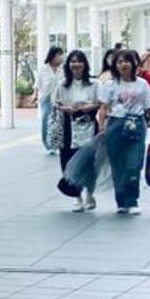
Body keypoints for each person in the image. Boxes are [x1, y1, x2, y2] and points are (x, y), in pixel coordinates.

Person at [98, 48, 150, 214]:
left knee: (133, 163)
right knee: (117, 165)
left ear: (134, 64)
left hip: (136, 125)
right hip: (115, 125)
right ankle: (121, 201)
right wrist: (101, 127)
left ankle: (132, 200)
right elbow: (103, 108)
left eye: (127, 61)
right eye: (119, 62)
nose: (123, 64)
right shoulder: (110, 85)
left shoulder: (142, 84)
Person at [49, 50, 102, 212]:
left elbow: (100, 103)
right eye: (72, 61)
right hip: (68, 126)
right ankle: (77, 197)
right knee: (69, 161)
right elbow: (55, 103)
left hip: (89, 124)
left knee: (89, 162)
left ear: (85, 64)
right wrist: (67, 109)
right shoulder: (62, 85)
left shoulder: (94, 84)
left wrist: (87, 108)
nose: (76, 64)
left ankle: (89, 194)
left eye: (79, 61)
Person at [38, 46, 64, 153]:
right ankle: (47, 144)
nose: (60, 58)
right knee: (46, 121)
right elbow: (37, 83)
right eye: (58, 55)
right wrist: (34, 95)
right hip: (47, 98)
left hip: (59, 99)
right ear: (52, 56)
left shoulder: (62, 69)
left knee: (58, 122)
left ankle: (56, 143)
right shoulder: (44, 69)